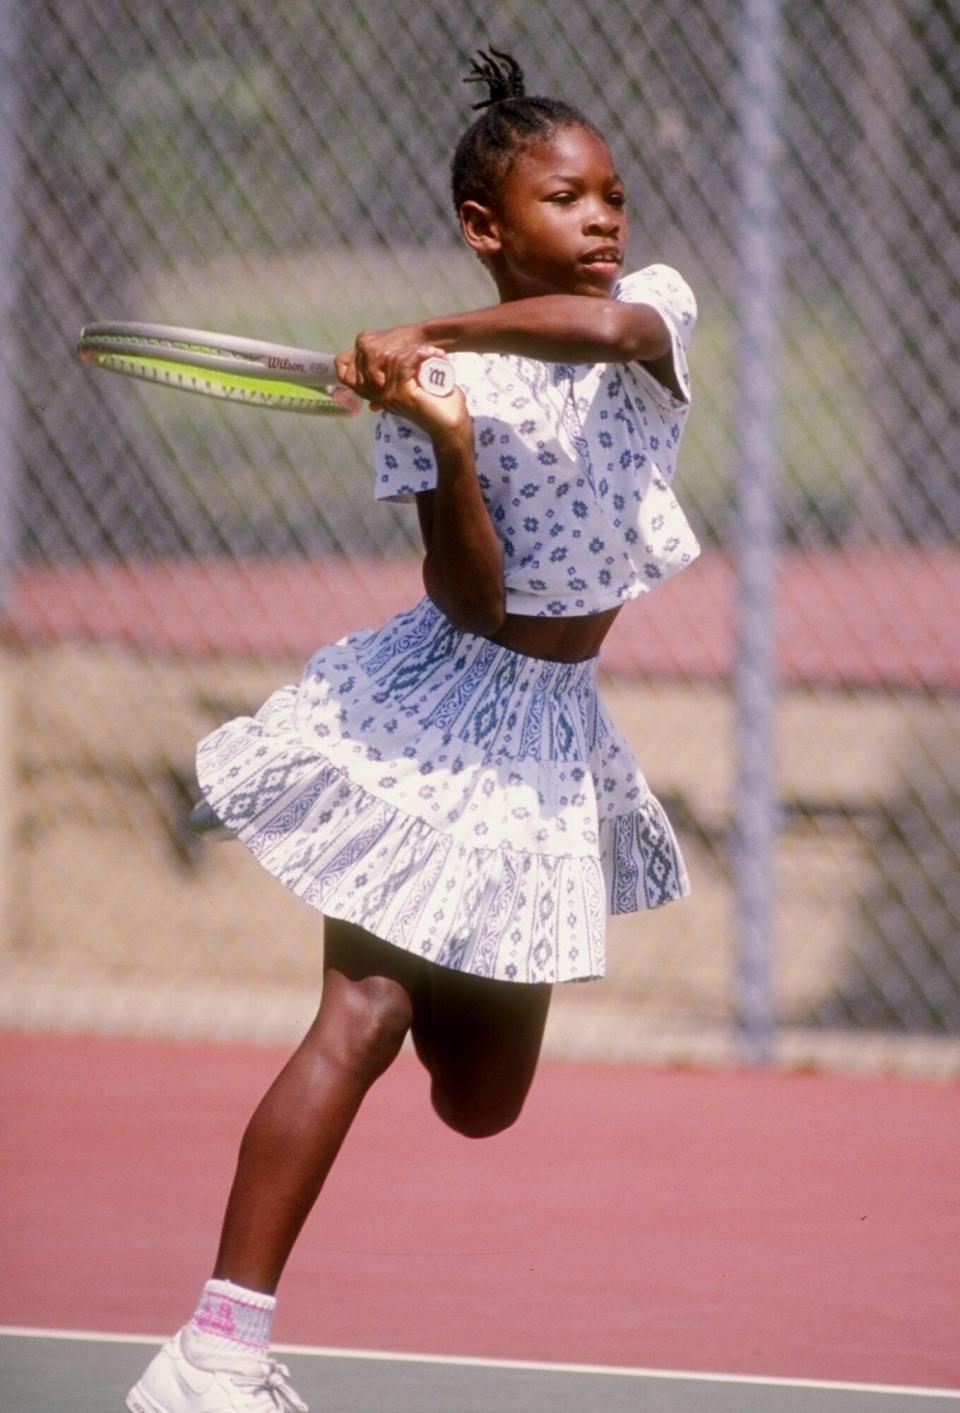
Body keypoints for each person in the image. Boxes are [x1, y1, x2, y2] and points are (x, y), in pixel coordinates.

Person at [126, 47, 700, 1413]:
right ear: (488, 226)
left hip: (554, 738)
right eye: (570, 200)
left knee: (481, 1097)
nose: (607, 220)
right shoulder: (434, 392)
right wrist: (443, 435)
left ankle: (223, 1343)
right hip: (433, 710)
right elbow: (472, 594)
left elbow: (607, 333)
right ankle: (214, 1348)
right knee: (363, 1010)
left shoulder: (653, 313)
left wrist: (433, 336)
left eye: (614, 194)